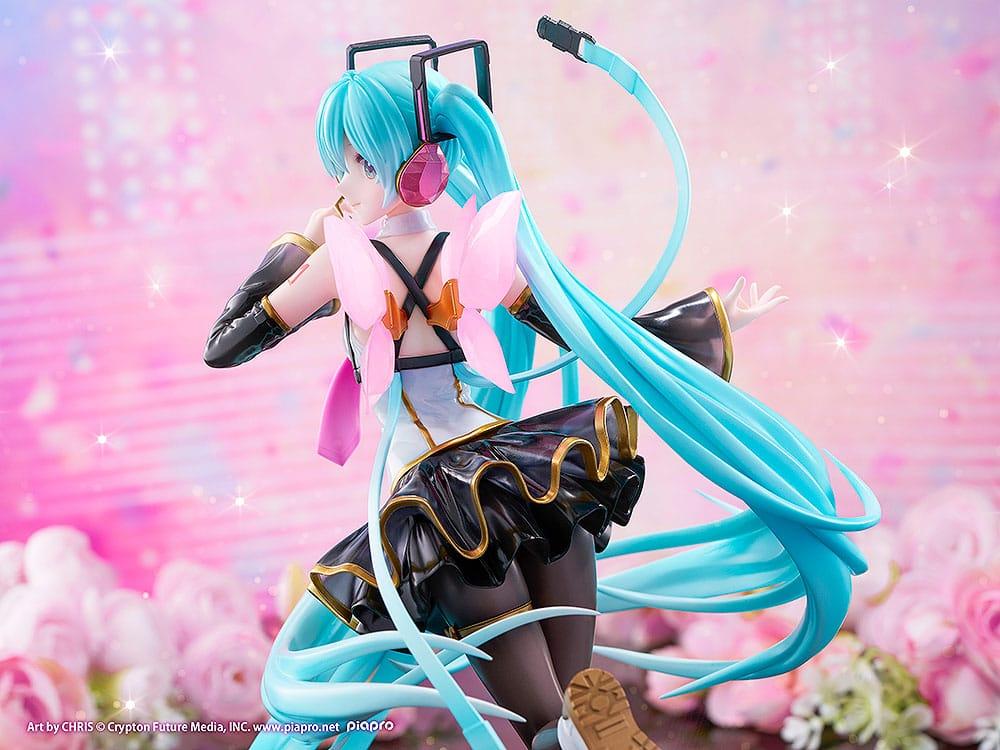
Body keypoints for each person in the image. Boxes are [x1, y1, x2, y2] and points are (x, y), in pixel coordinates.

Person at [203, 22, 879, 750]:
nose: (343, 185)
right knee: (559, 589)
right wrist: (706, 322)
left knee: (530, 641)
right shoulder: (466, 250)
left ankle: (569, 726)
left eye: (359, 164)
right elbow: (591, 332)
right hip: (505, 458)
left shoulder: (341, 262)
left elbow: (225, 344)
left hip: (432, 483)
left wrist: (298, 244)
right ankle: (578, 721)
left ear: (414, 166)